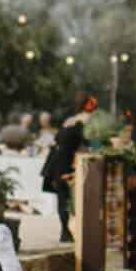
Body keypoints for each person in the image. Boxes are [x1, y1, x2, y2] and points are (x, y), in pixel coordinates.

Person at [40, 99, 92, 244]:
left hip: (56, 162)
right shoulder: (78, 125)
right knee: (64, 199)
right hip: (62, 165)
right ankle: (65, 232)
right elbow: (87, 142)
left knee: (63, 199)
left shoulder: (68, 122)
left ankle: (65, 232)